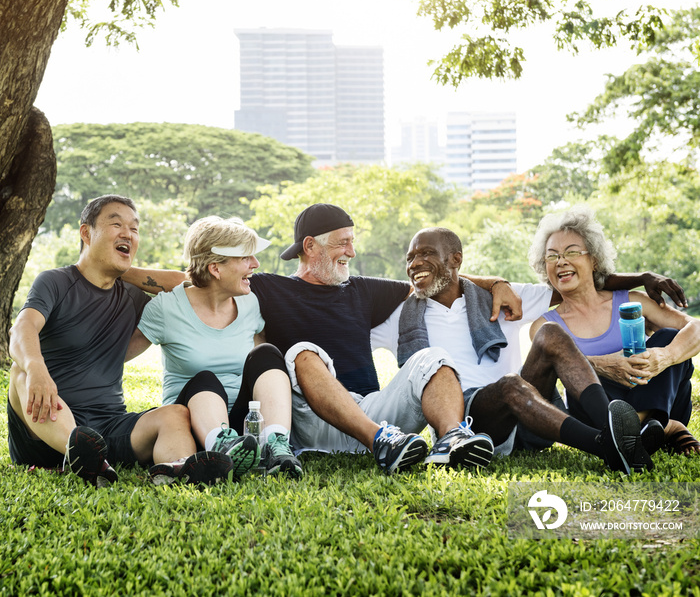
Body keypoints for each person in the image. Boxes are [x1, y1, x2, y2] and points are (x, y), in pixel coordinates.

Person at [123, 203, 526, 473]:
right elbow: (192, 278)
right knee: (299, 350)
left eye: (352, 239)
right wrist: (107, 266)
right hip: (312, 418)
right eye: (343, 241)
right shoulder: (264, 288)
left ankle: (451, 440)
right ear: (310, 247)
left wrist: (495, 282)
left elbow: (429, 279)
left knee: (433, 357)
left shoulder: (365, 289)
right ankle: (380, 444)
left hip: (371, 409)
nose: (352, 250)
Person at [370, 227, 694, 474]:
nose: (416, 263)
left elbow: (575, 279)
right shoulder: (400, 316)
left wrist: (639, 278)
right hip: (475, 423)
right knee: (511, 384)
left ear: (456, 260)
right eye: (410, 258)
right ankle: (609, 446)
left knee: (551, 333)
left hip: (534, 420)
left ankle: (613, 426)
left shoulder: (503, 298)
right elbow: (357, 325)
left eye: (426, 253)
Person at [8, 195, 233, 487]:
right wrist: (37, 367)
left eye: (134, 229)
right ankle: (79, 451)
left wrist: (126, 271)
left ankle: (176, 470)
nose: (128, 233)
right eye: (116, 224)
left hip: (109, 427)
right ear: (86, 233)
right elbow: (22, 327)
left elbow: (193, 284)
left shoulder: (132, 296)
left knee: (175, 415)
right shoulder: (56, 282)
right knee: (20, 373)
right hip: (46, 425)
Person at [128, 216, 302, 478]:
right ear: (216, 269)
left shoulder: (249, 303)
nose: (255, 264)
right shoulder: (167, 308)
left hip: (244, 429)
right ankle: (221, 446)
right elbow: (114, 357)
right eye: (245, 258)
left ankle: (275, 446)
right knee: (205, 378)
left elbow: (263, 374)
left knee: (267, 354)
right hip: (194, 422)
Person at [529, 205, 700, 456]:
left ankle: (641, 428)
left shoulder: (632, 301)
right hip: (601, 413)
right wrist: (603, 365)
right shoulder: (545, 326)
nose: (561, 261)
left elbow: (695, 328)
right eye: (552, 256)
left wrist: (665, 357)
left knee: (669, 337)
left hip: (659, 398)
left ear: (594, 259)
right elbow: (553, 368)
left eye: (571, 252)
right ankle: (666, 429)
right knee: (583, 380)